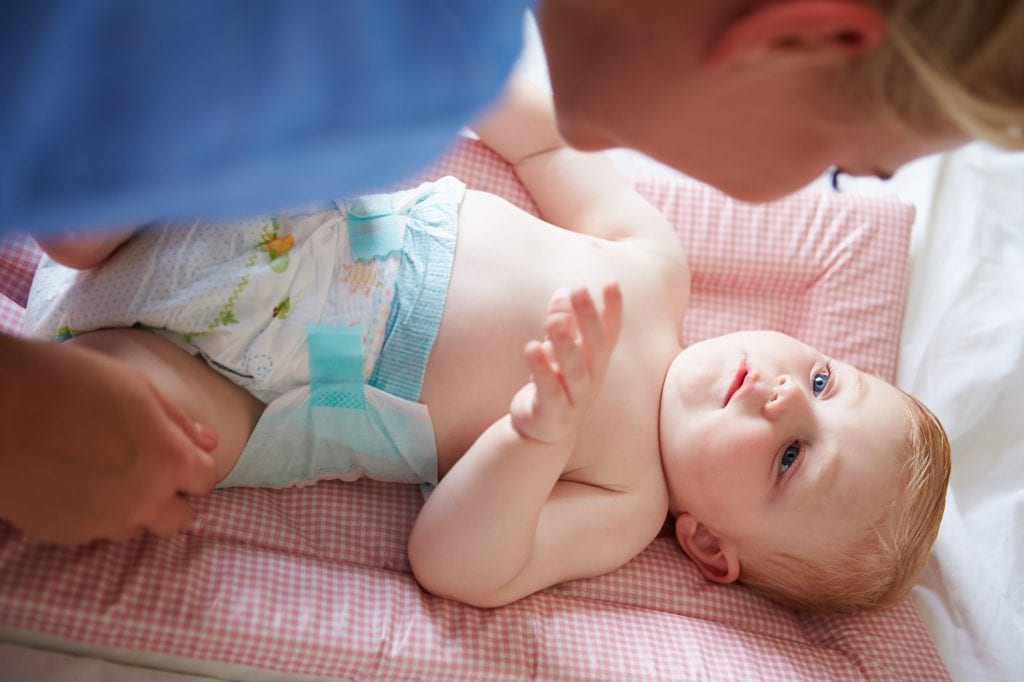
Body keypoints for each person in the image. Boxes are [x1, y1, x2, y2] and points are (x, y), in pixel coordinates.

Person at [2, 0, 1011, 545]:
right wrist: (480, 87)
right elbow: (547, 146)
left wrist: (535, 439)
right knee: (101, 208)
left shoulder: (621, 498)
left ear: (707, 543)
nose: (787, 394)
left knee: (167, 436)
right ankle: (82, 210)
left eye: (790, 456)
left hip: (270, 388)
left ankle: (84, 393)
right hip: (283, 207)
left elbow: (456, 563)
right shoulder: (658, 268)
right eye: (827, 381)